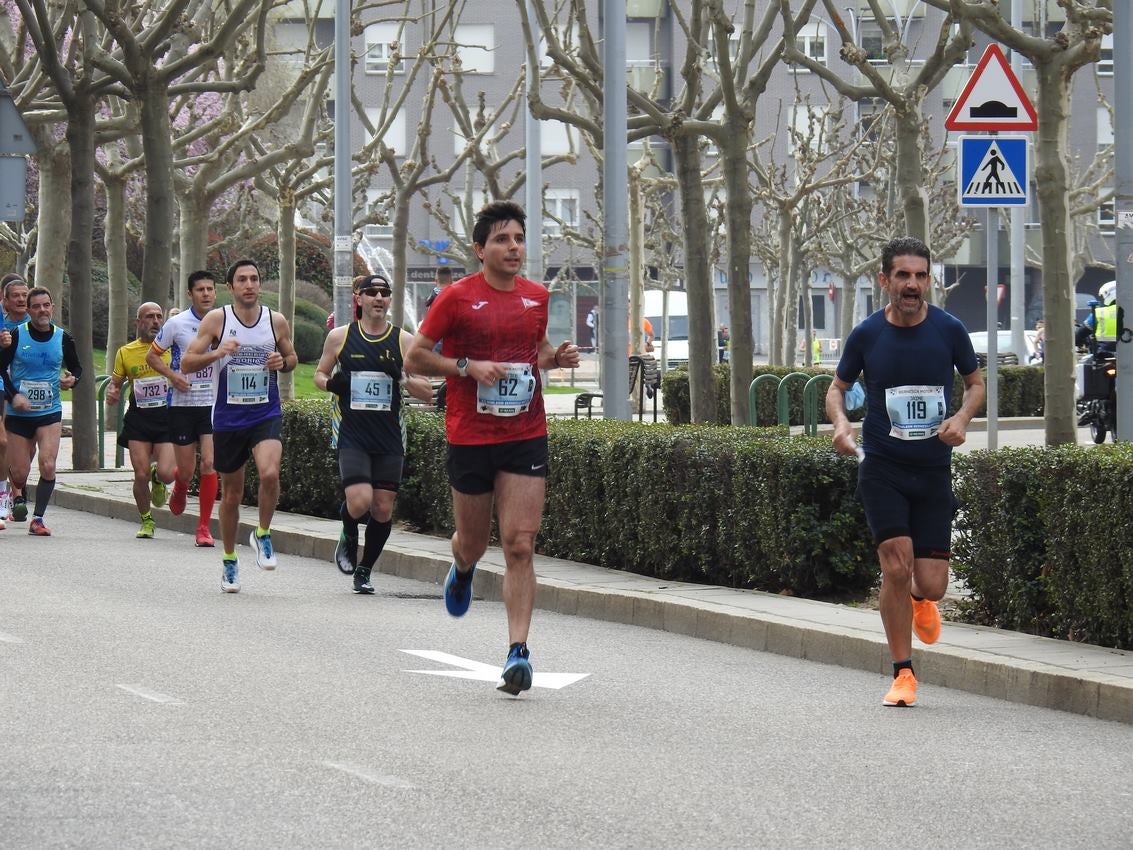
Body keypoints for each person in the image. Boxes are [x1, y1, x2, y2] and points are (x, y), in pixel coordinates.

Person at [405, 200, 581, 696]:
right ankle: (462, 567)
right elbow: (416, 354)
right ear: (480, 249)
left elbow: (538, 351)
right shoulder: (457, 298)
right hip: (470, 434)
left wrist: (557, 357)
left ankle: (517, 653)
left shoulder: (537, 296)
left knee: (520, 544)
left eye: (519, 239)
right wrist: (467, 367)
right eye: (503, 240)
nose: (514, 248)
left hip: (525, 432)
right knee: (475, 542)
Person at [826, 236, 985, 708]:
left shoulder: (950, 329)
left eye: (920, 275)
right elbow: (838, 389)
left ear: (928, 280)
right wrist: (839, 423)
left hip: (933, 468)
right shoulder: (867, 335)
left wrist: (961, 418)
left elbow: (975, 386)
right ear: (885, 280)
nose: (912, 284)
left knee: (931, 582)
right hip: (882, 466)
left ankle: (921, 601)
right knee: (895, 566)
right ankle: (903, 673)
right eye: (903, 275)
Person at [180, 259, 299, 593]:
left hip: (265, 413)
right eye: (242, 280)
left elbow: (292, 358)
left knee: (270, 473)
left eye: (254, 279)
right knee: (231, 494)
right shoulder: (218, 319)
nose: (249, 284)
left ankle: (262, 533)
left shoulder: (275, 321)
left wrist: (282, 362)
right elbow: (188, 361)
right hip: (229, 418)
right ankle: (230, 558)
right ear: (230, 288)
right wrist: (217, 353)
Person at [315, 273, 434, 594]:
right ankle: (349, 528)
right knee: (360, 500)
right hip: (352, 432)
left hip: (389, 436)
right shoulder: (339, 337)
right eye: (372, 292)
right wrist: (331, 384)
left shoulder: (404, 341)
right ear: (359, 298)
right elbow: (319, 374)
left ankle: (364, 570)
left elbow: (426, 392)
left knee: (382, 509)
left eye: (384, 293)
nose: (379, 298)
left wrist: (404, 378)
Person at [145, 271, 220, 547]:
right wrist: (172, 375)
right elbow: (152, 355)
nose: (206, 294)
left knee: (210, 463)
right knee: (187, 469)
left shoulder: (225, 322)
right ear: (190, 294)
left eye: (210, 289)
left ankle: (203, 528)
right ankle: (180, 484)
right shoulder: (177, 324)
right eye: (200, 289)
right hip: (181, 404)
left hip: (212, 403)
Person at [0, 287, 82, 536]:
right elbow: (2, 369)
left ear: (53, 307)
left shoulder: (63, 337)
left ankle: (38, 519)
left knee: (48, 464)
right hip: (19, 414)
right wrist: (15, 397)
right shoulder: (16, 335)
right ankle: (16, 496)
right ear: (29, 310)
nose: (42, 310)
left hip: (49, 411)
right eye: (36, 306)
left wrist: (73, 380)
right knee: (20, 472)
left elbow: (77, 367)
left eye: (46, 305)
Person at [107, 303, 177, 539]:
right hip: (139, 418)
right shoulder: (126, 352)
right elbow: (115, 383)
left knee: (168, 473)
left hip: (167, 416)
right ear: (138, 323)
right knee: (140, 474)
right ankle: (146, 520)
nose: (155, 321)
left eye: (159, 316)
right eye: (149, 317)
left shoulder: (171, 349)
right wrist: (112, 392)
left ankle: (159, 478)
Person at [0, 274, 31, 525]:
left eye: (24, 295)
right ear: (5, 301)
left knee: (27, 455)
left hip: (32, 397)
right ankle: (15, 497)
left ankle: (15, 488)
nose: (21, 300)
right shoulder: (2, 324)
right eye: (16, 296)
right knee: (5, 443)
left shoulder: (38, 322)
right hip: (6, 392)